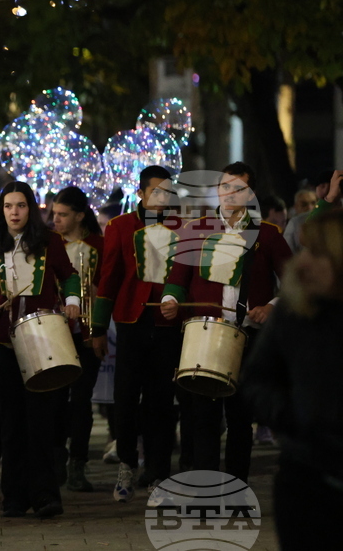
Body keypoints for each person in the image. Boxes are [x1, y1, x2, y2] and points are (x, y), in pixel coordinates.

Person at [161, 162, 292, 486]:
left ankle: (236, 489)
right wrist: (170, 300)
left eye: (238, 188)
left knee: (239, 419)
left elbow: (294, 281)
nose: (230, 193)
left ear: (251, 193)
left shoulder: (267, 234)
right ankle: (204, 490)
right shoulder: (196, 230)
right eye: (225, 186)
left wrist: (272, 306)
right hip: (204, 335)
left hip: (248, 336)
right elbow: (178, 279)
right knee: (202, 417)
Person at [0, 181, 80, 519]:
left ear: (31, 209)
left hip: (43, 338)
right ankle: (13, 497)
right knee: (10, 420)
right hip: (1, 341)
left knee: (40, 419)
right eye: (9, 206)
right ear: (2, 210)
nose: (15, 212)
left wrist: (72, 301)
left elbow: (69, 276)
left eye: (21, 206)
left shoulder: (50, 241)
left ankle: (45, 495)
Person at [242, 210, 343, 550]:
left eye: (316, 253)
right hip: (305, 477)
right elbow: (256, 382)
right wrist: (296, 416)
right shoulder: (294, 312)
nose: (301, 264)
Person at [91, 166, 183, 504]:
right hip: (130, 321)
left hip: (167, 324)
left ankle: (158, 473)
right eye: (156, 191)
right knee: (125, 399)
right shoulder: (120, 226)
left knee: (161, 401)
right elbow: (109, 277)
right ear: (142, 193)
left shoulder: (182, 226)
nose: (162, 198)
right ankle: (127, 465)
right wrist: (98, 330)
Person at [50, 186, 104, 493]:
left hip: (86, 333)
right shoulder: (48, 243)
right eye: (54, 214)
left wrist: (97, 331)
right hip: (56, 333)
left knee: (82, 401)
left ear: (80, 216)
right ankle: (57, 458)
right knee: (56, 398)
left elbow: (105, 288)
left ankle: (78, 464)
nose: (55, 220)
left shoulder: (98, 245)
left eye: (63, 214)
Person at [283, 170, 333, 252]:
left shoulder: (327, 219)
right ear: (295, 207)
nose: (309, 207)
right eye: (304, 204)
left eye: (313, 203)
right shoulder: (294, 224)